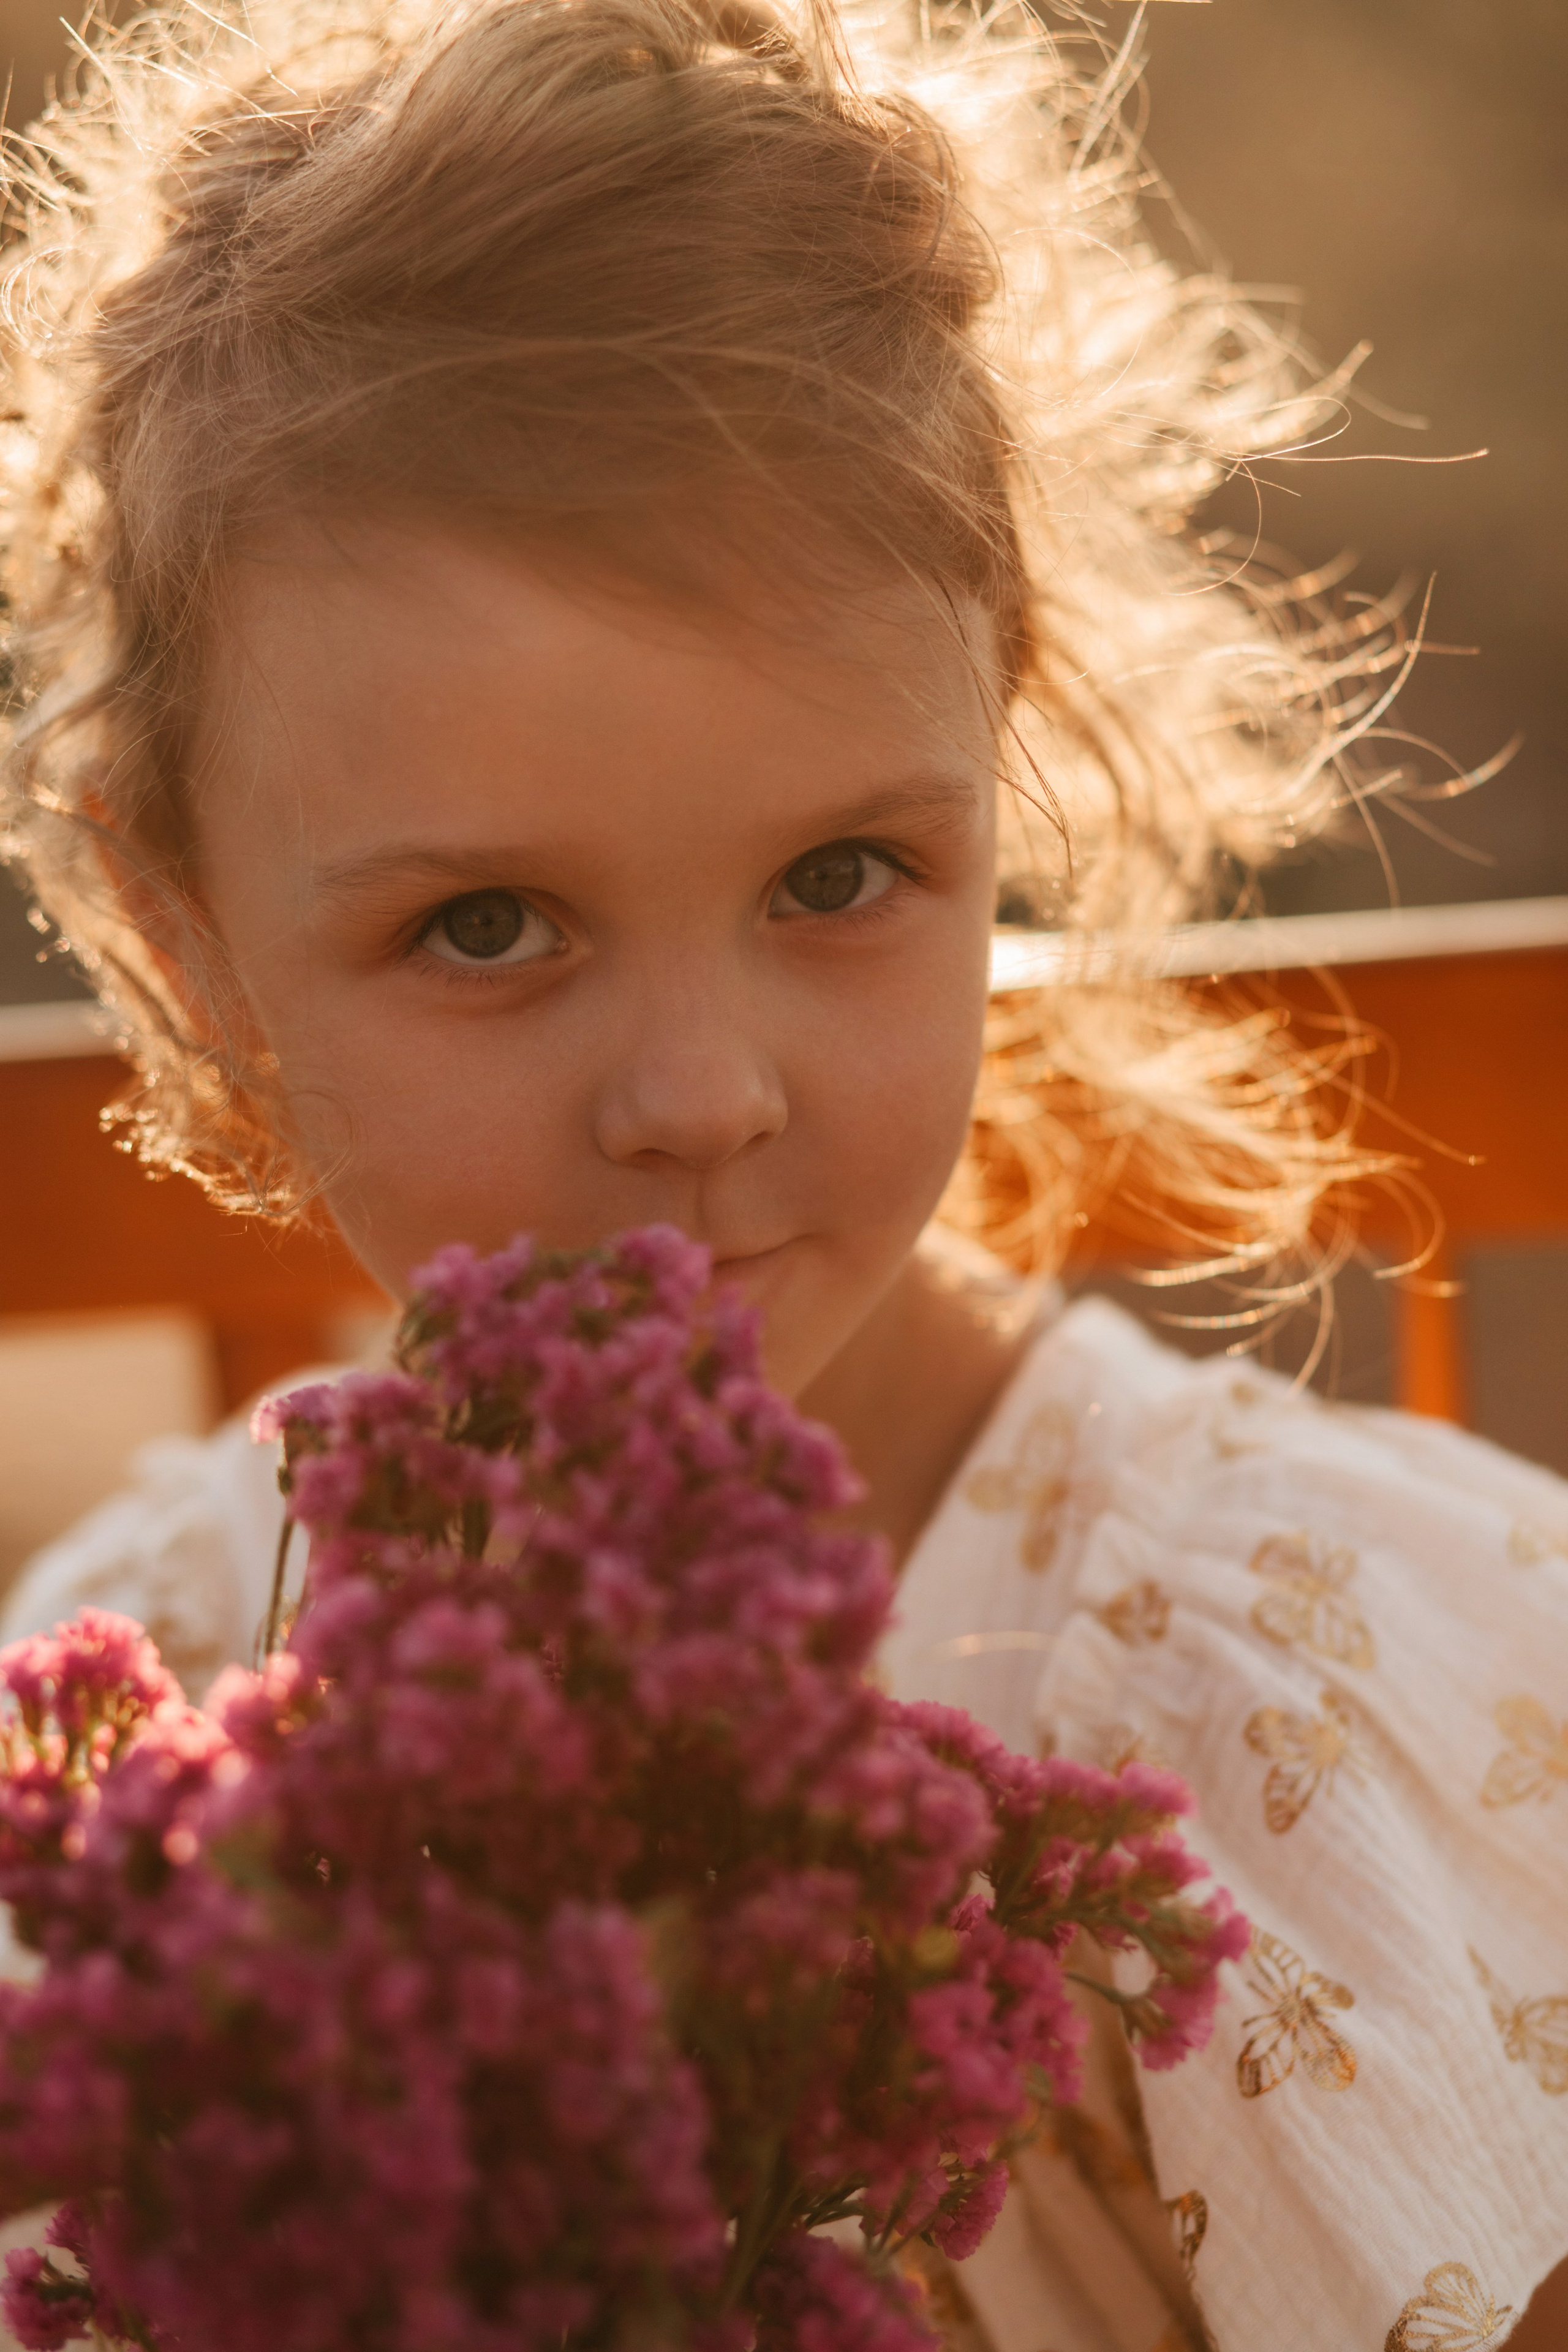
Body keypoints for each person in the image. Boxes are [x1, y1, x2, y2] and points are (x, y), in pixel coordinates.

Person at [2, 1, 1565, 2345]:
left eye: (839, 875)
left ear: (1001, 746)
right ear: (184, 934)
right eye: (489, 927)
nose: (702, 1094)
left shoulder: (1259, 1710)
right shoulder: (161, 1719)